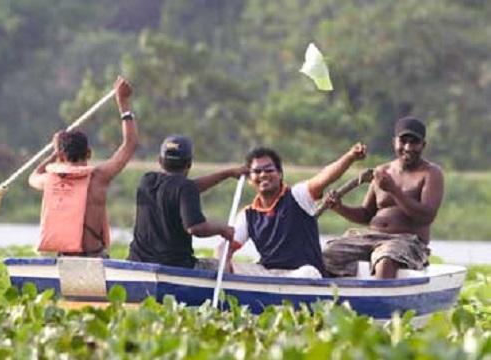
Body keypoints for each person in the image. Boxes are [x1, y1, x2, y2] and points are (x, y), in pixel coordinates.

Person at [217, 144, 367, 278]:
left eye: (269, 169)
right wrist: (224, 259)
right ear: (250, 179)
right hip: (269, 274)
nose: (263, 175)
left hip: (302, 273)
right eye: (257, 171)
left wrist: (350, 157)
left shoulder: (298, 195)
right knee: (222, 265)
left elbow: (324, 178)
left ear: (280, 174)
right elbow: (226, 248)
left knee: (308, 273)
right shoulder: (248, 215)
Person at [28, 76, 138, 257]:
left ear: (61, 157)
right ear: (89, 153)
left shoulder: (49, 179)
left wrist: (53, 154)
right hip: (95, 258)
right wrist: (123, 103)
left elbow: (33, 176)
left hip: (65, 260)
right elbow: (130, 144)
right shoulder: (100, 177)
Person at [322, 117, 444, 279]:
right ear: (394, 142)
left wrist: (394, 190)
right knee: (328, 254)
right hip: (371, 237)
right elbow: (367, 214)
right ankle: (337, 299)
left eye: (414, 142)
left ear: (423, 145)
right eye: (403, 141)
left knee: (386, 259)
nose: (408, 148)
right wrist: (339, 207)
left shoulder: (431, 173)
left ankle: (380, 301)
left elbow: (426, 216)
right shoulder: (383, 171)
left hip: (406, 241)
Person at [126, 134, 241, 270]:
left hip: (137, 262)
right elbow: (195, 228)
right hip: (175, 266)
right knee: (225, 268)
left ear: (160, 161)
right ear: (189, 164)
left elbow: (184, 188)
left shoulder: (147, 180)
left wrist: (226, 174)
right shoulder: (185, 188)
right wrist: (223, 229)